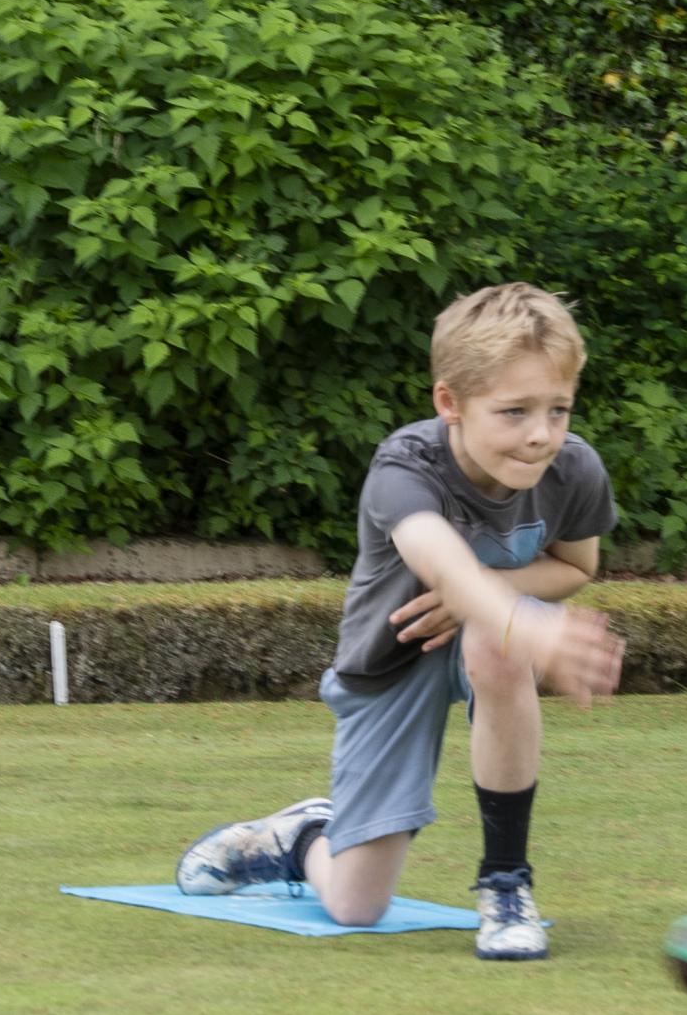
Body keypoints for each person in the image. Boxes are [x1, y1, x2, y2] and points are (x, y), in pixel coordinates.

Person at [176, 283, 624, 958]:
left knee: (495, 641)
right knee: (357, 906)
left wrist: (495, 601)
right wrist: (516, 617)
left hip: (485, 640)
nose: (541, 434)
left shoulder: (574, 467)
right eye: (514, 412)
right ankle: (301, 836)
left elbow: (575, 566)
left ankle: (505, 883)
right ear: (451, 403)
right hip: (392, 658)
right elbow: (439, 558)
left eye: (558, 410)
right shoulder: (404, 467)